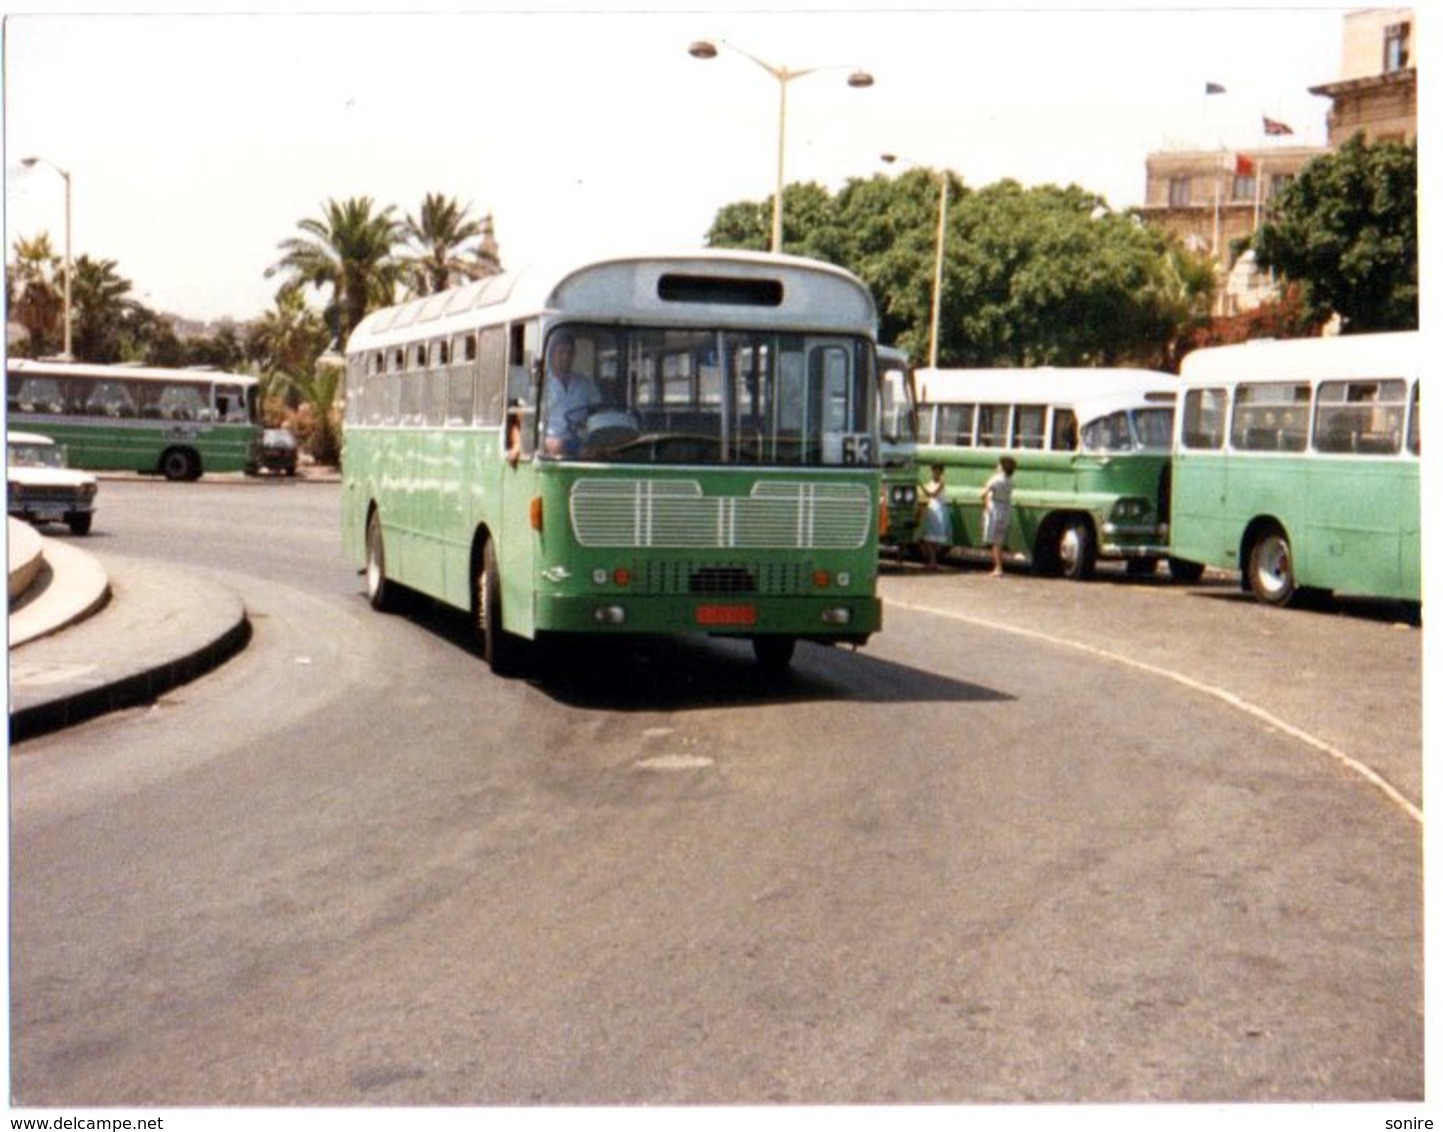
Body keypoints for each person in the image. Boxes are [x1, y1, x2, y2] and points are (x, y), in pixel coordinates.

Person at [541, 332, 601, 456]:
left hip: (583, 442)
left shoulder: (586, 384)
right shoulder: (541, 384)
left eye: (570, 353)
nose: (566, 357)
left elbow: (598, 414)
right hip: (550, 444)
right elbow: (525, 421)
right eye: (561, 352)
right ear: (552, 355)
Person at [982, 455, 1018, 577]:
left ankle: (998, 567)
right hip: (1006, 508)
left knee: (995, 541)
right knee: (1000, 540)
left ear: (1002, 467)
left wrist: (986, 505)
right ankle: (998, 566)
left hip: (995, 508)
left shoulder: (996, 479)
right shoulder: (1011, 481)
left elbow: (984, 492)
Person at [919, 464, 952, 571]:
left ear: (941, 472)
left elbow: (932, 494)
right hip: (932, 508)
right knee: (930, 537)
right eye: (933, 471)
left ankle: (933, 561)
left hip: (938, 508)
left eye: (937, 471)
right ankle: (933, 561)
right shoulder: (931, 482)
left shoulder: (941, 483)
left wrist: (920, 485)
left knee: (933, 538)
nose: (935, 473)